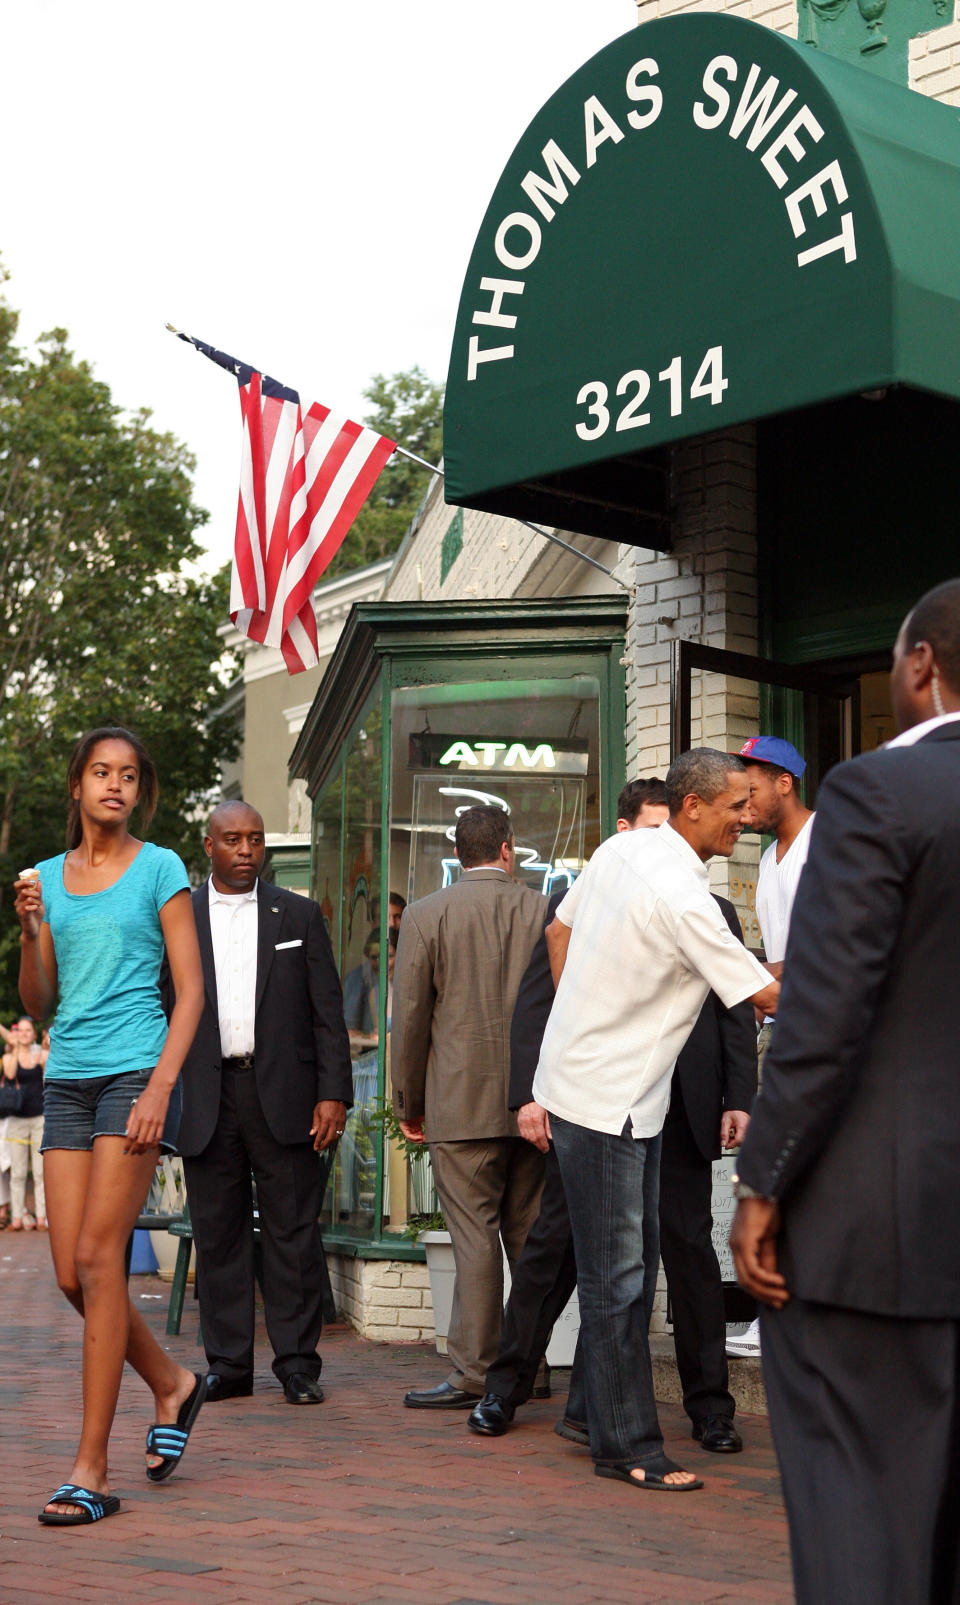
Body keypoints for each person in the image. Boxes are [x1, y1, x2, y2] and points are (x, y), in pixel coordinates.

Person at [730, 579, 960, 1604]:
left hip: (881, 1237)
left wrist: (764, 1183)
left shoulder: (876, 793)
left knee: (862, 1511)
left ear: (922, 667)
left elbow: (826, 1018)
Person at [469, 778, 758, 1457]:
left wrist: (738, 1095)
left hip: (680, 1112)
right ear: (630, 832)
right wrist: (530, 1095)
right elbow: (539, 1003)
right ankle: (505, 1388)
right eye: (648, 833)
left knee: (680, 1257)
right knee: (557, 1254)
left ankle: (708, 1409)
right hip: (596, 1107)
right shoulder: (592, 891)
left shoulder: (709, 906)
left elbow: (738, 1010)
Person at [533, 750, 779, 1492]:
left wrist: (583, 1012)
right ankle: (627, 1444)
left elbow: (556, 933)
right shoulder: (684, 897)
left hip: (604, 1092)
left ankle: (586, 1410)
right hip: (607, 1103)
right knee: (620, 1279)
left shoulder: (620, 847)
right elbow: (763, 996)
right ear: (694, 805)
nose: (748, 814)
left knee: (628, 1267)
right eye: (737, 803)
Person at [13, 726, 205, 1526]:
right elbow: (38, 1002)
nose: (114, 786)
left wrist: (161, 1084)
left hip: (134, 1072)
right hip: (68, 1080)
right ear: (77, 786)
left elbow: (190, 990)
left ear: (139, 790)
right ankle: (171, 1381)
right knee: (69, 1273)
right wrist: (31, 930)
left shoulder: (160, 867)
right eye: (101, 772)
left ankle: (88, 1469)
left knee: (99, 1260)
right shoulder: (48, 879)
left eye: (128, 775)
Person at [176, 801, 352, 1405]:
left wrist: (333, 1093)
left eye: (255, 839)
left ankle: (298, 1364)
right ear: (210, 846)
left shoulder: (297, 913)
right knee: (218, 1234)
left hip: (284, 1093)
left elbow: (327, 1011)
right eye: (233, 840)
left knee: (293, 1231)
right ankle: (228, 1364)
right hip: (205, 1093)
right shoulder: (180, 916)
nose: (246, 849)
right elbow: (160, 1005)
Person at [391, 803, 547, 1407]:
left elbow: (410, 1018)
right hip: (536, 1100)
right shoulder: (544, 909)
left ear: (459, 855)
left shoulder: (429, 915)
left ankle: (478, 1375)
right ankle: (527, 1368)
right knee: (529, 1234)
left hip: (458, 1101)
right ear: (507, 849)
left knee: (474, 1238)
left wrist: (409, 1099)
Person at [726, 735, 812, 1361]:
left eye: (750, 788)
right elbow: (778, 961)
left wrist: (755, 993)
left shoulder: (824, 843)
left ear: (784, 782)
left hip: (812, 1033)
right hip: (780, 1031)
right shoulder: (767, 861)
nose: (743, 802)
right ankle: (775, 1313)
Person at [3, 1016, 50, 1229]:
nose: (23, 1034)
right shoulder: (11, 1055)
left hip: (39, 1118)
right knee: (19, 1173)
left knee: (40, 1172)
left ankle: (41, 1218)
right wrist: (13, 1049)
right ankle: (17, 1219)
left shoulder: (40, 1053)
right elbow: (10, 1073)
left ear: (33, 1033)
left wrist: (42, 1058)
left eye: (27, 1030)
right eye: (20, 1030)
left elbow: (48, 1075)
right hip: (16, 1120)